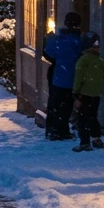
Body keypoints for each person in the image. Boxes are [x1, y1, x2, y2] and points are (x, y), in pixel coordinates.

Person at [43, 12, 84, 140]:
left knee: (54, 105)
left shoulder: (58, 39)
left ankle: (52, 130)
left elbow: (48, 54)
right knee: (67, 106)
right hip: (73, 77)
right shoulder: (80, 41)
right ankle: (63, 130)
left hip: (57, 76)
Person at [71, 32, 104, 152]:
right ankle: (97, 138)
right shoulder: (101, 62)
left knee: (82, 119)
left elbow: (78, 78)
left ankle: (84, 142)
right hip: (96, 94)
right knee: (93, 117)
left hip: (84, 94)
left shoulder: (83, 61)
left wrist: (75, 92)